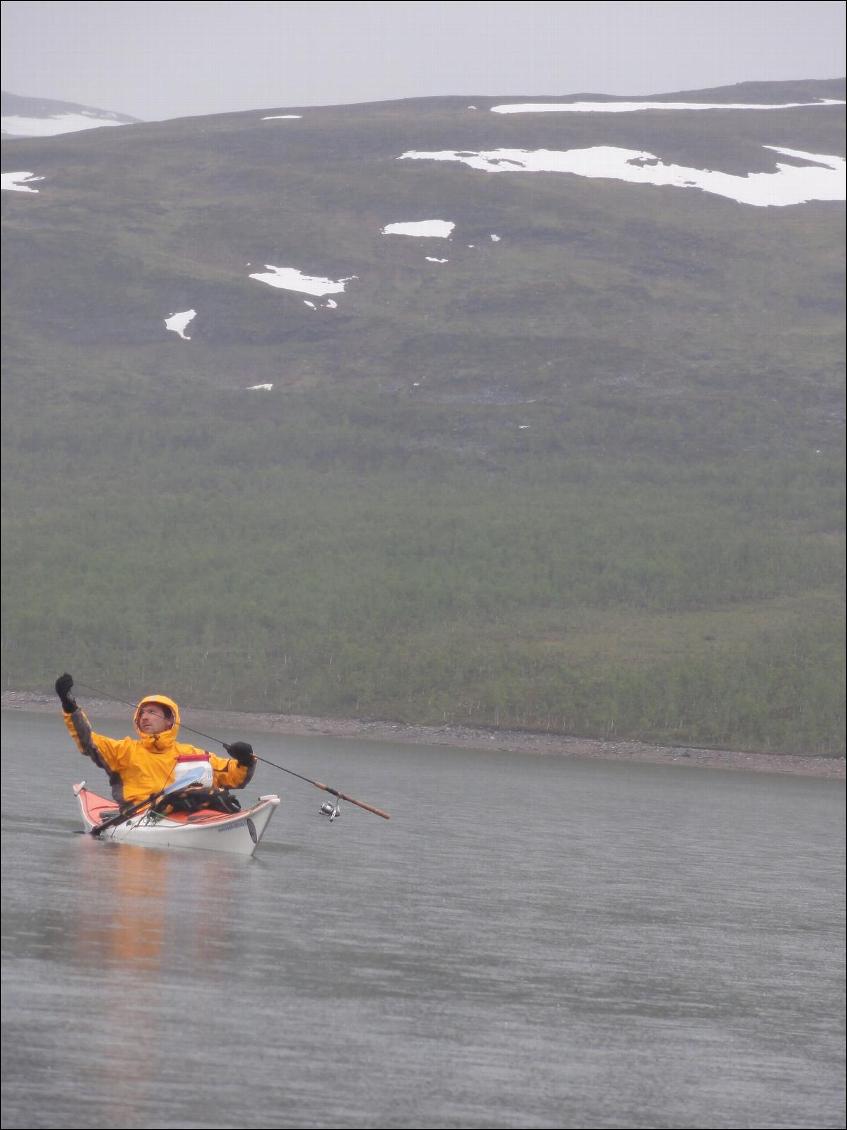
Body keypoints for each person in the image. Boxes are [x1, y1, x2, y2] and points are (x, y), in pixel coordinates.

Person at [55, 673, 256, 811]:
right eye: (142, 713)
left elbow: (232, 776)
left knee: (216, 795)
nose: (144, 717)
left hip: (186, 814)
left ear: (170, 720)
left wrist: (245, 760)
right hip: (138, 816)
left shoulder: (191, 753)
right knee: (188, 798)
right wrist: (70, 706)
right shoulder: (123, 751)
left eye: (152, 713)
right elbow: (87, 741)